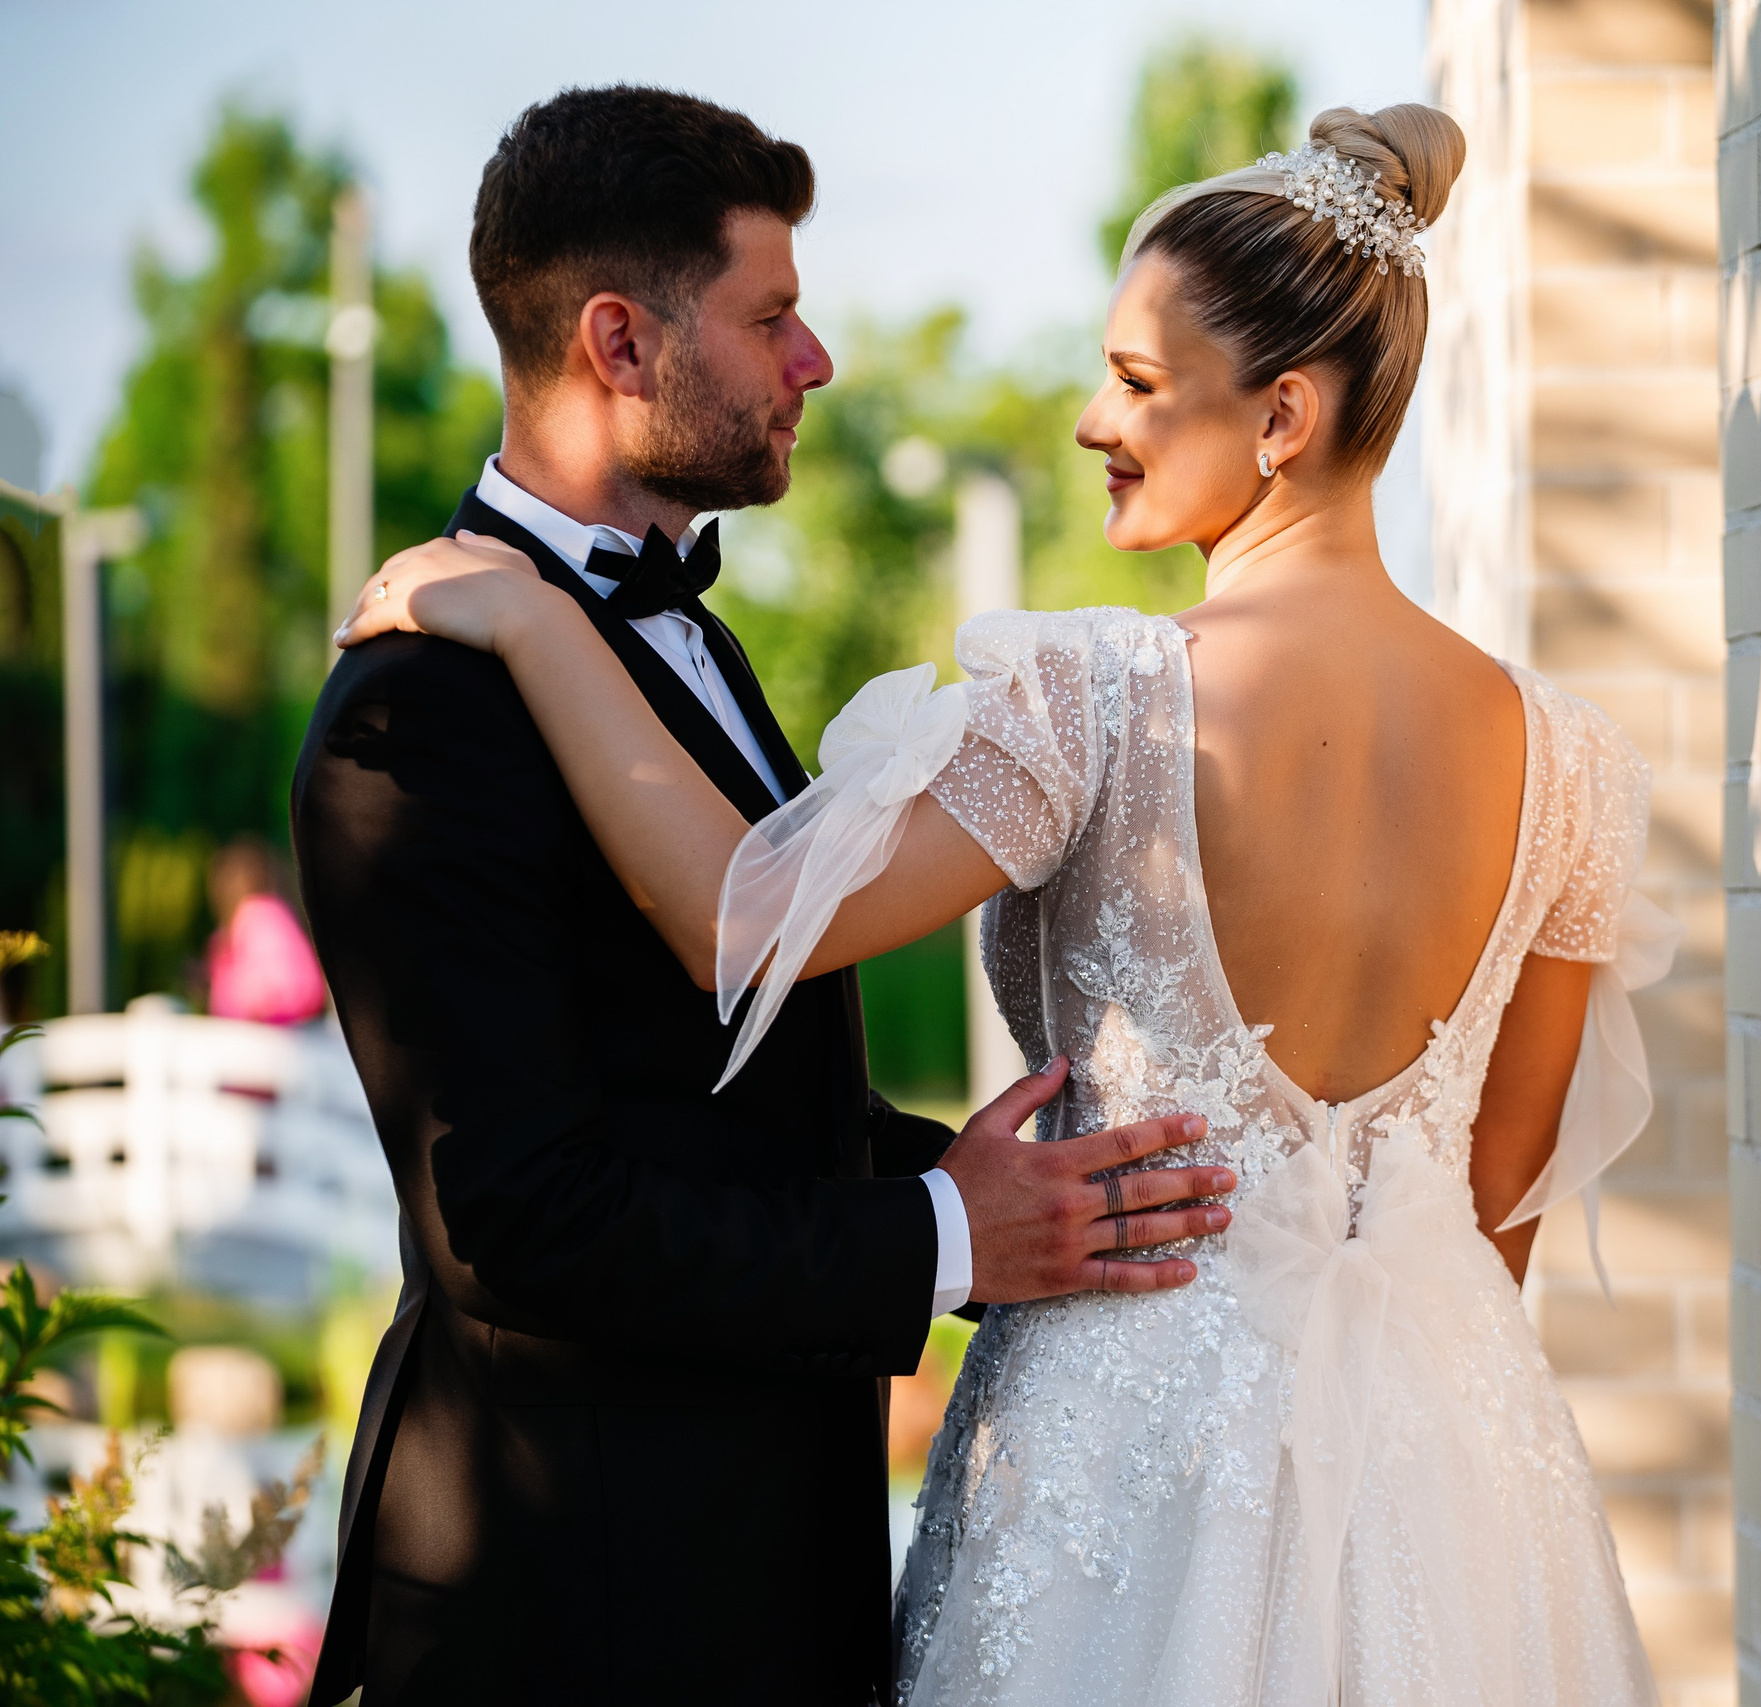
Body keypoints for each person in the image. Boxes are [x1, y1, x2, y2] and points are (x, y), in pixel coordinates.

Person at [341, 102, 1670, 1707]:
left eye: (1135, 382)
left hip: (1120, 1451)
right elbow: (1495, 1191)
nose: (1091, 420)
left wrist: (539, 628)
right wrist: (1395, 1453)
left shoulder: (1093, 697)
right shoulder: (1576, 765)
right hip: (1452, 1476)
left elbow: (744, 926)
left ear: (1284, 416)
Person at [292, 87, 1229, 1707]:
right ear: (619, 342)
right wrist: (941, 1234)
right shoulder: (417, 711)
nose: (817, 361)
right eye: (772, 314)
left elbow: (704, 1077)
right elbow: (514, 1220)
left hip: (756, 1569)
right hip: (574, 1602)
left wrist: (990, 1187)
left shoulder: (691, 640)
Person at [204, 837, 328, 1025]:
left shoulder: (259, 916)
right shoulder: (250, 922)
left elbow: (283, 989)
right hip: (273, 1038)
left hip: (271, 1037)